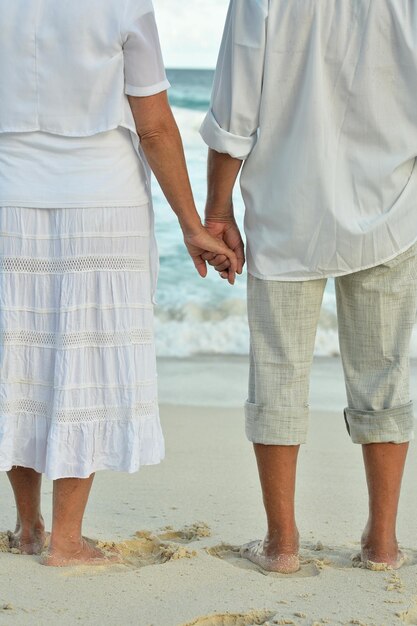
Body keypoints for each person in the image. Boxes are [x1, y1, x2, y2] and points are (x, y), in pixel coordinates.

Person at [0, 0, 237, 567]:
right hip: (100, 201)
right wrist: (192, 223)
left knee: (21, 359)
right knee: (84, 358)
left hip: (9, 195)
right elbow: (154, 124)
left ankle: (27, 526)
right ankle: (66, 539)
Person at [200, 0, 417, 573]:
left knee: (277, 367)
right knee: (385, 370)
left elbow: (234, 111)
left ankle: (283, 544)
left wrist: (217, 208)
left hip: (286, 206)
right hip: (391, 206)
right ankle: (384, 544)